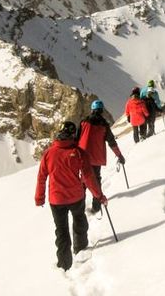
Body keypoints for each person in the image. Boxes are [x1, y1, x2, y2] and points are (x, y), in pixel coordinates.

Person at [35, 121, 107, 271]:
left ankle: (64, 265)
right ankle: (80, 251)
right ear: (74, 135)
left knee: (61, 232)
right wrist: (99, 196)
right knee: (80, 223)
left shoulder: (49, 153)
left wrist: (39, 198)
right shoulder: (79, 152)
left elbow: (42, 177)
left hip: (56, 200)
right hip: (76, 197)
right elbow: (89, 177)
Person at [78, 100, 125, 213]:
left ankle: (80, 209)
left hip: (82, 157)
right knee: (96, 180)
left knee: (82, 182)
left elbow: (76, 139)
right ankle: (96, 206)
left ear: (92, 109)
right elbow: (112, 142)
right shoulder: (104, 125)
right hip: (96, 159)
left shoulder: (83, 122)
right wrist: (119, 155)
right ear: (102, 110)